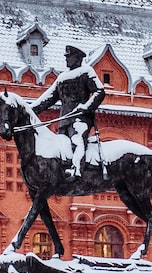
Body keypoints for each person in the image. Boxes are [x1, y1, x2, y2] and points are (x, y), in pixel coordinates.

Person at [33, 45, 106, 179]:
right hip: (64, 120)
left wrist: (86, 107)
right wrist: (30, 110)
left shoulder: (86, 72)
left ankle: (76, 169)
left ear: (77, 58)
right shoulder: (62, 77)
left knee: (77, 141)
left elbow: (100, 91)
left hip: (80, 119)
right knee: (62, 147)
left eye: (69, 57)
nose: (66, 60)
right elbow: (48, 98)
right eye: (66, 57)